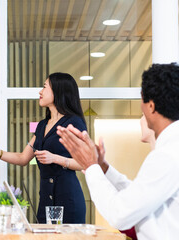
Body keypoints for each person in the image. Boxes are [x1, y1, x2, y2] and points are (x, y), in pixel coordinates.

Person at [57, 63, 179, 240]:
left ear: (151, 106)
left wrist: (91, 167)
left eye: (141, 100)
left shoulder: (167, 155)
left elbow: (120, 215)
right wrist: (102, 167)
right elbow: (138, 195)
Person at [0, 72, 87, 223]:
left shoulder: (73, 122)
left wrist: (55, 158)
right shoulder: (42, 125)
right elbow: (23, 158)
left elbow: (85, 163)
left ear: (58, 91)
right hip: (45, 200)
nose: (40, 92)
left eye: (44, 87)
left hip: (68, 198)